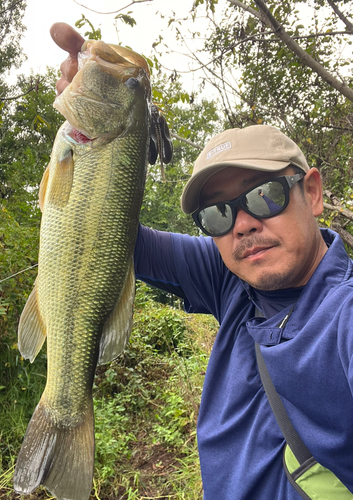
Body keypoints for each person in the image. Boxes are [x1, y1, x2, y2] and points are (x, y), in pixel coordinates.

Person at [50, 23, 353, 500]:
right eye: (217, 213)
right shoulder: (233, 280)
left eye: (264, 194)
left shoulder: (344, 317)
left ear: (311, 192)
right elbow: (107, 236)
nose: (243, 224)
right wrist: (95, 132)